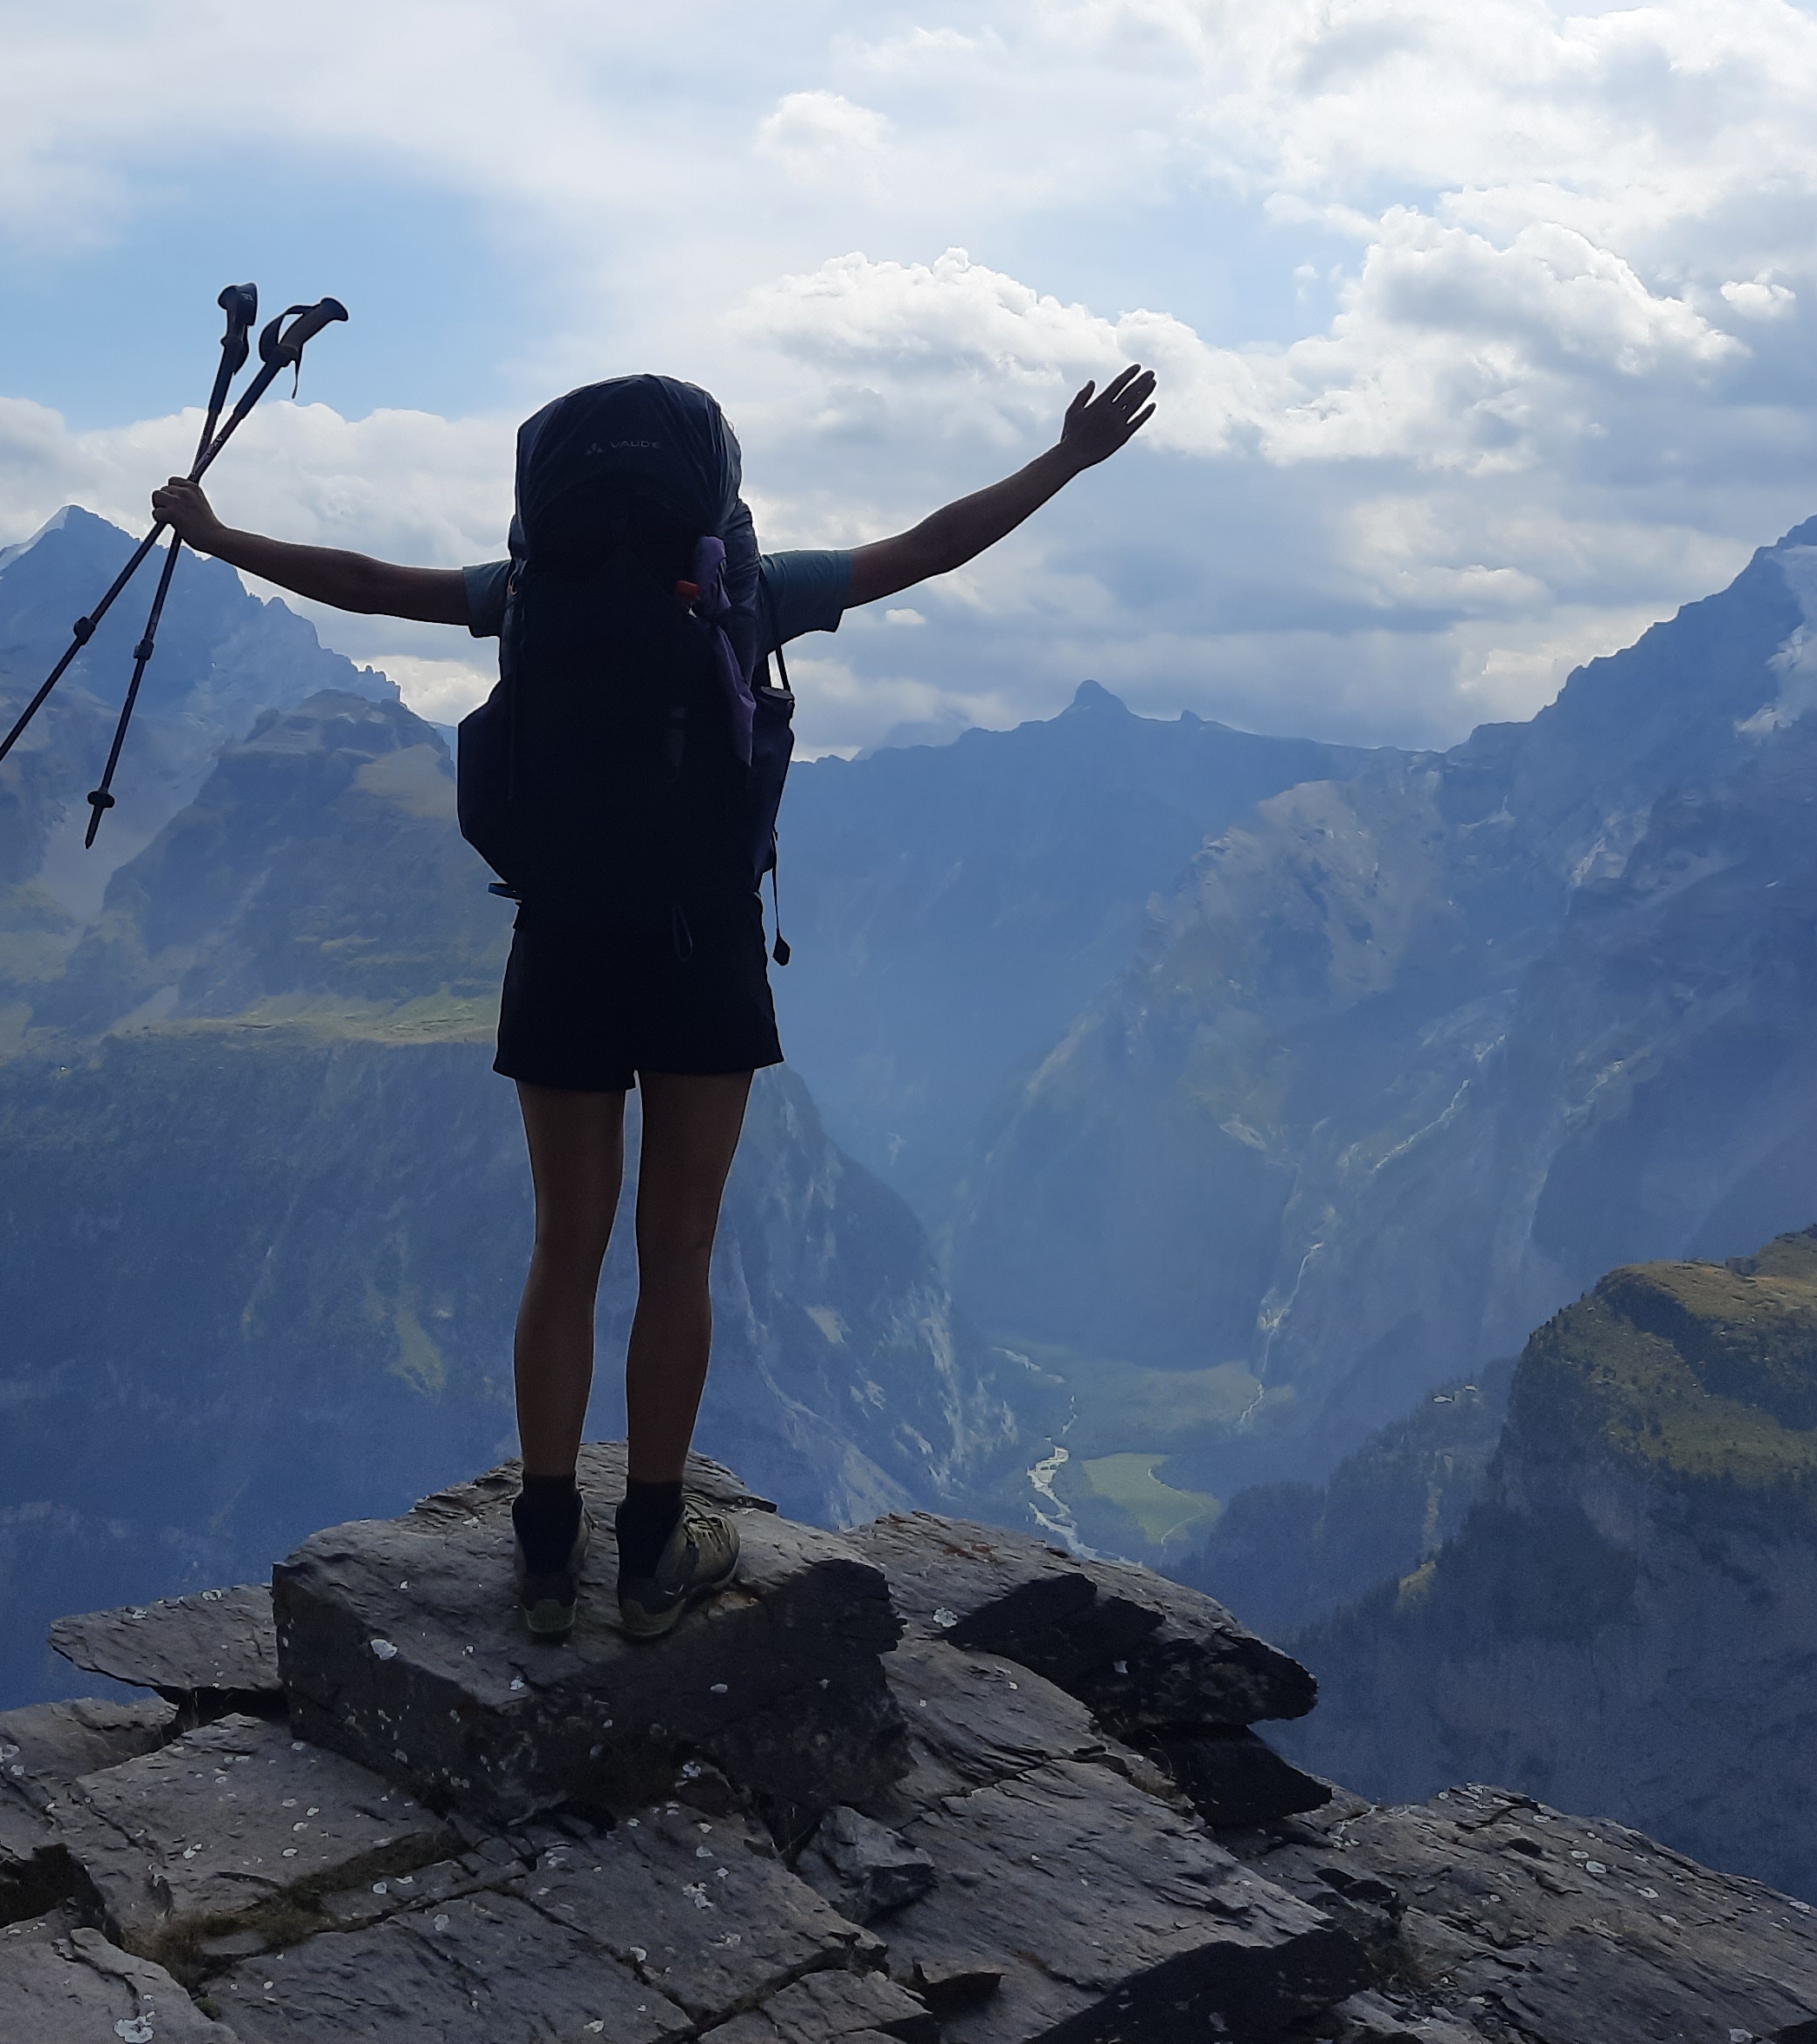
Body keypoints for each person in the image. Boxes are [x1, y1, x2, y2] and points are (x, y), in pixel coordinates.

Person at [151, 362, 1156, 1640]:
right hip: (704, 949)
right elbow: (935, 547)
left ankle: (543, 1552)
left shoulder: (526, 593)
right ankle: (649, 1555)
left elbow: (366, 583)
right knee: (676, 1249)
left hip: (562, 941)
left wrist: (222, 535)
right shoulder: (744, 591)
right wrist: (1063, 460)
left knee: (562, 1250)